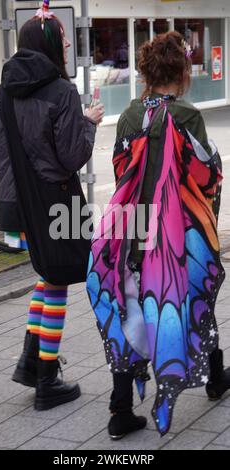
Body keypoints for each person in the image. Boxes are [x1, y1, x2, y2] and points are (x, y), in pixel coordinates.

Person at [86, 31, 229, 439]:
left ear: (148, 72)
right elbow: (204, 179)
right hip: (176, 232)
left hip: (133, 229)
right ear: (182, 71)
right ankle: (215, 376)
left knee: (130, 306)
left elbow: (120, 172)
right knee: (192, 298)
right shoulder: (187, 116)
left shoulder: (131, 115)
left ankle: (120, 410)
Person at [0, 0, 104, 411]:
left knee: (46, 275)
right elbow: (71, 156)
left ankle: (30, 360)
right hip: (52, 205)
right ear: (52, 46)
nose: (68, 52)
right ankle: (47, 378)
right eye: (65, 45)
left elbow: (6, 148)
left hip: (13, 205)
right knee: (56, 281)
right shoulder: (61, 92)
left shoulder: (3, 90)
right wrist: (88, 123)